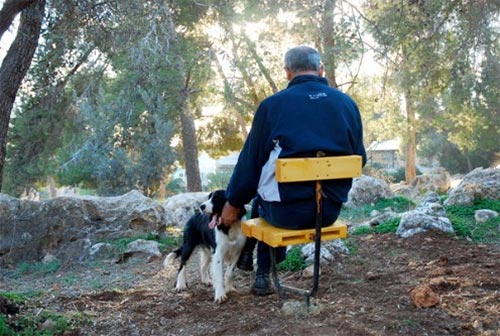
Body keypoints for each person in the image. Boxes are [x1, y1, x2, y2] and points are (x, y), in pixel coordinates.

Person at [220, 46, 367, 295]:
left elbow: (250, 163)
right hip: (328, 212)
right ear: (321, 69)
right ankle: (259, 265)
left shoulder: (272, 106)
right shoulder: (347, 104)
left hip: (287, 215)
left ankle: (261, 272)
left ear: (287, 73)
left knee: (261, 198)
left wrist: (233, 202)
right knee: (267, 196)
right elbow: (359, 158)